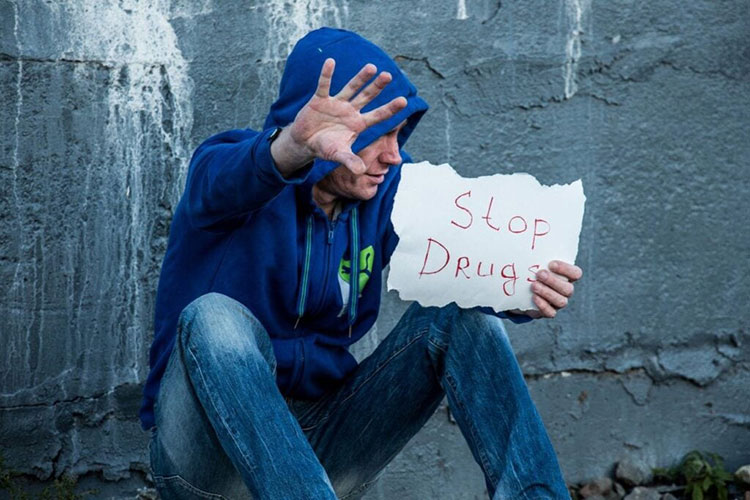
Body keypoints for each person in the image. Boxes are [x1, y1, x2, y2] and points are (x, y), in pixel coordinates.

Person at [140, 27, 582, 500]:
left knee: (460, 318)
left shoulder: (390, 192)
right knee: (213, 316)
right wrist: (292, 147)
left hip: (325, 444)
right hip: (208, 460)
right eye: (377, 135)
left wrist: (525, 292)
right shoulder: (228, 170)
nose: (392, 155)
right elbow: (229, 179)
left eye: (398, 133)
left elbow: (471, 263)